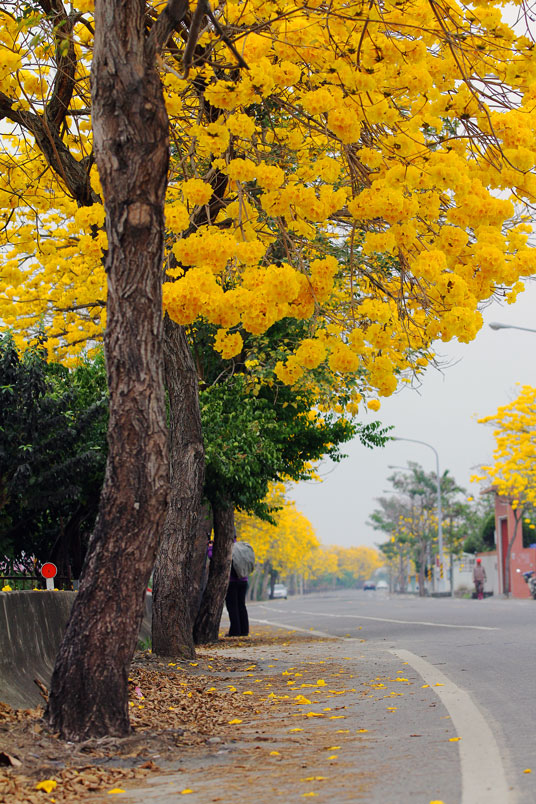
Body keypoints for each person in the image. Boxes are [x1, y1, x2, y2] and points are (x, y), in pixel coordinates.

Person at [225, 539, 253, 637]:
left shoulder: (226, 547)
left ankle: (235, 631)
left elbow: (212, 556)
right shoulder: (242, 547)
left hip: (232, 581)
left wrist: (210, 548)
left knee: (232, 606)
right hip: (243, 580)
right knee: (241, 605)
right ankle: (244, 630)